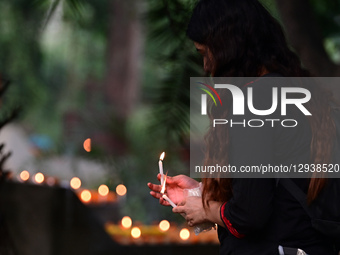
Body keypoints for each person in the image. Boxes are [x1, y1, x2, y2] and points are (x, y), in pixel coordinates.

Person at [148, 0, 338, 254]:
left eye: (205, 53)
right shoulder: (294, 90)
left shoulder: (255, 102)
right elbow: (276, 186)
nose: (205, 67)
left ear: (229, 48)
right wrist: (200, 194)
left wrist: (206, 208)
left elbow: (250, 215)